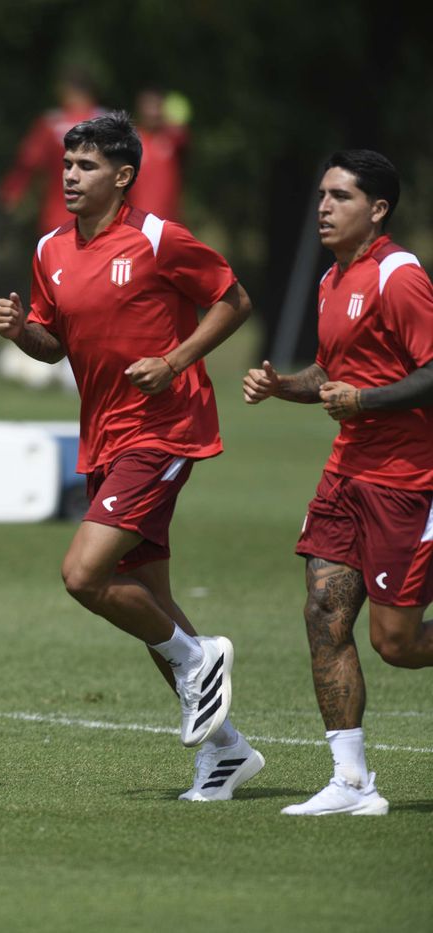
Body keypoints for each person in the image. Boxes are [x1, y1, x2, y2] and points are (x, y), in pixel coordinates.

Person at [0, 112, 261, 801]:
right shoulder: (51, 247)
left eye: (86, 166)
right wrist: (22, 331)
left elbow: (233, 301)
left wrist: (175, 360)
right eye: (67, 165)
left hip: (164, 428)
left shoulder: (158, 239)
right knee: (151, 600)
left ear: (124, 176)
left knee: (83, 573)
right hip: (104, 437)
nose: (71, 176)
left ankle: (202, 660)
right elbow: (55, 345)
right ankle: (227, 752)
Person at [243, 150, 433, 817]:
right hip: (344, 477)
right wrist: (282, 386)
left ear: (377, 209)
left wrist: (367, 402)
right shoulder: (332, 281)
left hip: (409, 482)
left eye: (340, 196)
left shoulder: (398, 276)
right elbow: (332, 374)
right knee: (324, 614)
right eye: (322, 194)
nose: (323, 206)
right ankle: (351, 781)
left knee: (397, 643)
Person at [0, 69, 106, 235]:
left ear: (68, 91)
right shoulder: (108, 124)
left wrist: (12, 192)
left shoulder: (51, 123)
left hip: (58, 218)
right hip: (100, 220)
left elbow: (28, 161)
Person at [127, 87, 189, 221]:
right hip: (138, 223)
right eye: (148, 107)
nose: (153, 112)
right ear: (140, 109)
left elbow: (186, 151)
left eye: (157, 107)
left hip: (168, 223)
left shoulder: (173, 139)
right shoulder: (131, 142)